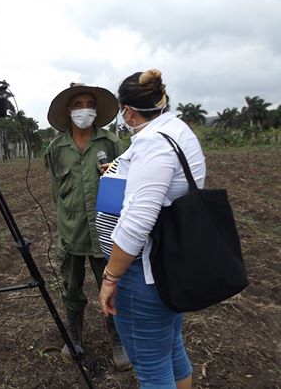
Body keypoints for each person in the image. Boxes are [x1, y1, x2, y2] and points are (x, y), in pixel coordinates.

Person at [98, 69, 206, 388]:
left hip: (142, 273)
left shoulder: (153, 143)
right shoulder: (176, 129)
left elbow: (138, 221)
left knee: (150, 366)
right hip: (167, 265)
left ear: (128, 111)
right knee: (171, 348)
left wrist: (111, 277)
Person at [44, 83, 130, 370]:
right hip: (72, 233)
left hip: (105, 234)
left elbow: (124, 187)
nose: (85, 109)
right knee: (71, 288)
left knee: (112, 287)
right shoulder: (56, 148)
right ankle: (74, 337)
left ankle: (118, 342)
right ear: (69, 111)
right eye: (78, 104)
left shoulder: (110, 143)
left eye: (89, 103)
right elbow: (58, 192)